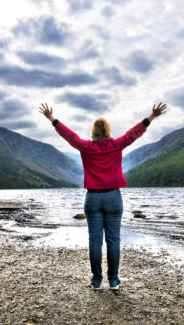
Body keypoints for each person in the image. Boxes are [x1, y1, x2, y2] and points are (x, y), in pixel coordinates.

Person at [38, 102, 167, 291]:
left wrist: (52, 119)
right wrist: (152, 116)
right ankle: (113, 280)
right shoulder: (116, 145)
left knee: (95, 241)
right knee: (113, 240)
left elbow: (69, 136)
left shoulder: (86, 147)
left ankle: (96, 280)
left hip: (93, 199)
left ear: (93, 132)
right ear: (108, 131)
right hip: (114, 198)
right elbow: (133, 133)